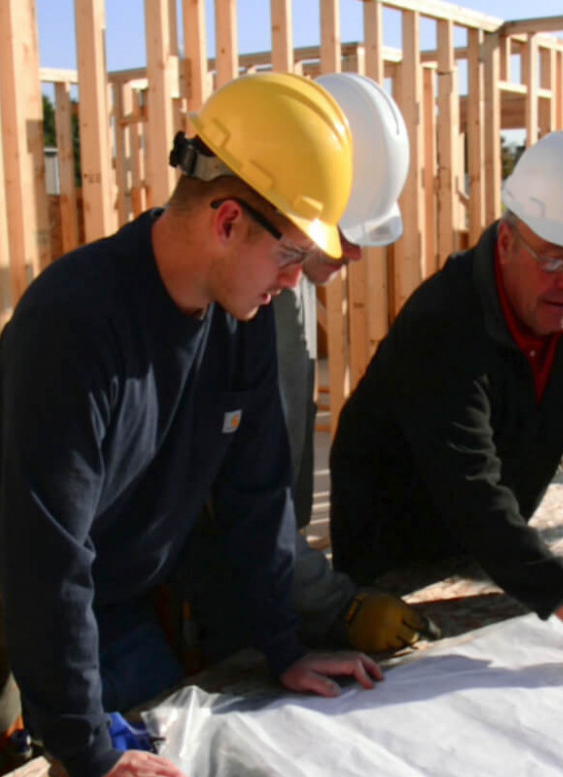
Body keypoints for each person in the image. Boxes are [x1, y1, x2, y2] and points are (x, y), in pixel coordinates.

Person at [0, 73, 383, 777]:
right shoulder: (75, 325)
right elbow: (48, 551)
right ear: (229, 220)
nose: (294, 279)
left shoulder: (240, 317)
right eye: (291, 254)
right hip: (6, 614)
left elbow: (257, 493)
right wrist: (89, 755)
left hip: (115, 598)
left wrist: (285, 643)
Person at [328, 129, 563, 677]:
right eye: (552, 260)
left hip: (488, 548)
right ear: (506, 242)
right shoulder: (444, 320)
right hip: (394, 542)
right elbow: (467, 481)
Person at [173, 72, 435, 655]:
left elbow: (271, 495)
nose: (357, 254)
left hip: (263, 600)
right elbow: (237, 504)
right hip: (205, 610)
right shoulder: (240, 297)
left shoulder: (284, 286)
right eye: (338, 234)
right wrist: (332, 608)